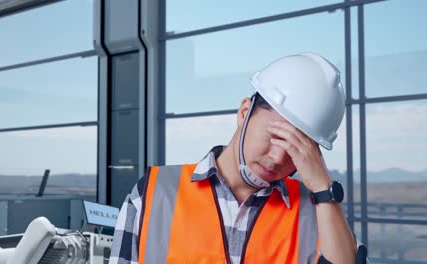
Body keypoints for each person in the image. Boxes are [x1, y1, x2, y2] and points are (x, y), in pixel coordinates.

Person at [109, 53, 368, 263]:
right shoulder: (153, 193)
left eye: (295, 149)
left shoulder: (318, 211)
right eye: (275, 137)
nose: (278, 158)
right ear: (245, 112)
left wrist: (324, 191)